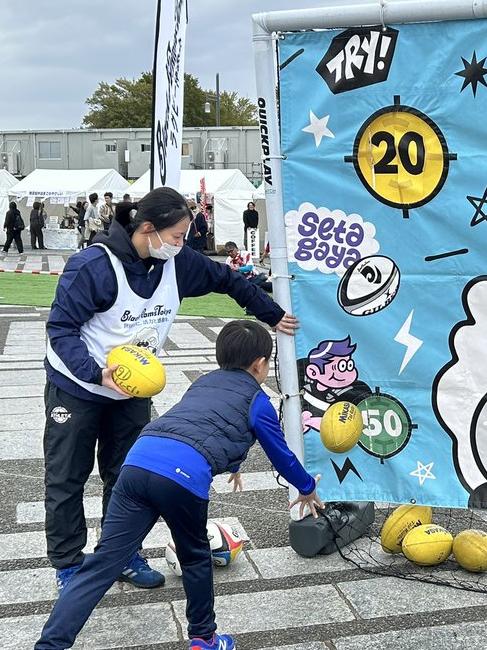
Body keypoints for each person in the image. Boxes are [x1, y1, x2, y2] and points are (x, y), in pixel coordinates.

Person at [16, 320, 324, 650]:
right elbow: (280, 453)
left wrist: (234, 464)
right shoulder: (258, 400)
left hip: (138, 463)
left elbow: (201, 424)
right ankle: (203, 641)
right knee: (195, 558)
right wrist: (307, 487)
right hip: (181, 476)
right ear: (261, 364)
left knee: (101, 566)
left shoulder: (203, 383)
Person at [42, 186, 299, 594]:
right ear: (148, 229)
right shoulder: (93, 266)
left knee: (124, 476)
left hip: (131, 391)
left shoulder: (177, 263)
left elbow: (230, 280)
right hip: (78, 385)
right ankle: (69, 565)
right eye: (177, 237)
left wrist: (273, 316)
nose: (182, 245)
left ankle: (122, 554)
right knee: (66, 477)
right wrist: (94, 373)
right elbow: (60, 329)